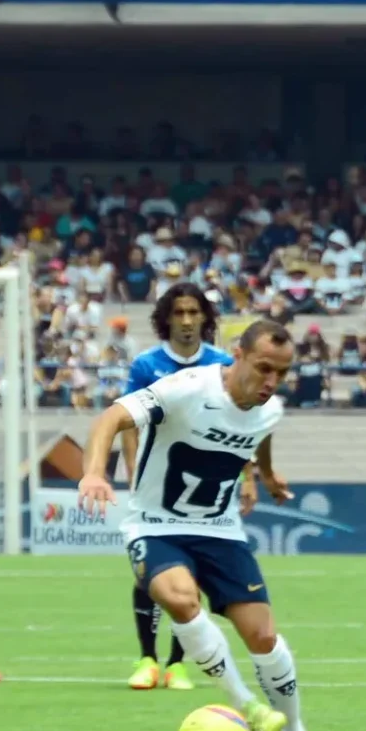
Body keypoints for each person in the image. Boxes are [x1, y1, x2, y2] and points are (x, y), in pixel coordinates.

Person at [78, 320, 337, 731]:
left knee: (263, 637)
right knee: (179, 597)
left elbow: (261, 435)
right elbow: (110, 417)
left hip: (221, 530)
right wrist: (94, 472)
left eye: (281, 372)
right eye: (263, 368)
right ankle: (246, 704)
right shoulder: (187, 388)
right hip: (156, 526)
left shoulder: (270, 409)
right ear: (237, 355)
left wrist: (268, 474)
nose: (272, 382)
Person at [120, 282, 246, 691]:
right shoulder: (146, 365)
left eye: (195, 313)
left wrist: (249, 480)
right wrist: (131, 471)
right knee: (150, 573)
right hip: (154, 485)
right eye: (180, 313)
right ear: (166, 319)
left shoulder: (222, 364)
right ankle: (146, 659)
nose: (188, 321)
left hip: (204, 487)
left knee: (189, 574)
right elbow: (128, 420)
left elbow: (238, 427)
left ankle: (177, 665)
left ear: (205, 319)